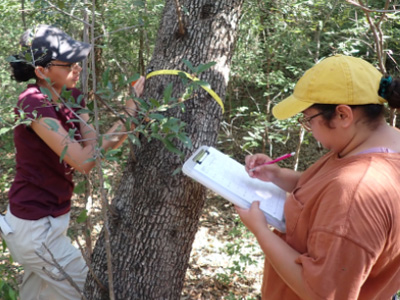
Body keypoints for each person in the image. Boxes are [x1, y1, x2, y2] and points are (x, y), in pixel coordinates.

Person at [236, 54, 400, 299]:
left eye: (308, 119)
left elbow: (323, 294)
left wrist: (260, 230)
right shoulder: (368, 147)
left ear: (343, 115)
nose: (309, 129)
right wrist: (277, 175)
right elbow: (325, 187)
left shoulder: (356, 192)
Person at [0, 24, 145, 299]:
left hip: (52, 223)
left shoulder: (73, 97)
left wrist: (121, 124)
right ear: (41, 71)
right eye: (68, 64)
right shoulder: (32, 102)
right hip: (35, 230)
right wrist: (127, 115)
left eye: (77, 61)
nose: (76, 68)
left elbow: (95, 147)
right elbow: (85, 160)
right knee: (92, 293)